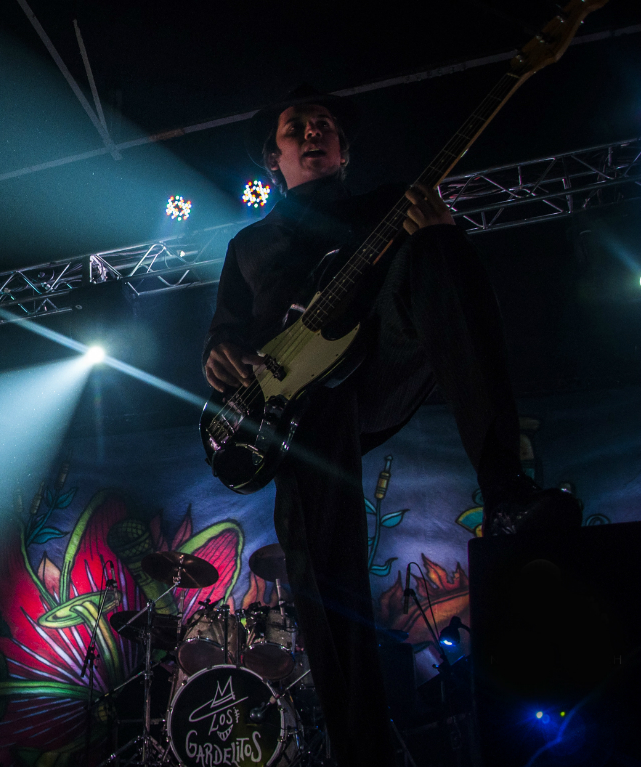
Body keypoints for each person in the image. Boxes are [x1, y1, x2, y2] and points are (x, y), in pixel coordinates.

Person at [202, 85, 581, 767]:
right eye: (296, 127)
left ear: (344, 151)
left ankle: (504, 488)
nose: (313, 132)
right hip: (296, 410)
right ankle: (362, 753)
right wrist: (218, 356)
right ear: (273, 157)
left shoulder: (383, 207)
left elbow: (425, 274)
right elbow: (223, 337)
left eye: (324, 124)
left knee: (438, 247)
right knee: (325, 572)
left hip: (376, 363)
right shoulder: (248, 246)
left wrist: (438, 234)